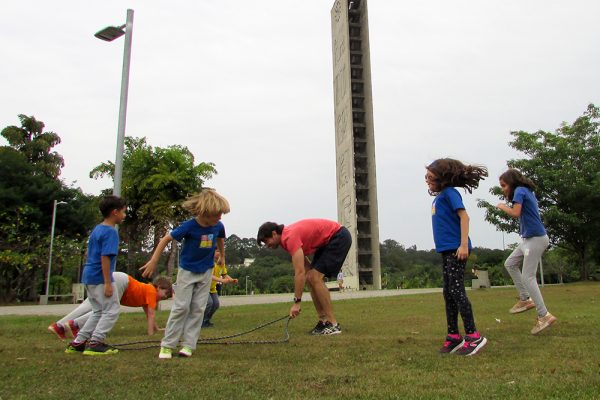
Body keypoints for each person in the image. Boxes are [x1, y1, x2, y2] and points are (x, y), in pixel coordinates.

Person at [140, 189, 230, 359]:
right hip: (187, 271)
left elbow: (220, 238)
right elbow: (166, 239)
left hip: (206, 271)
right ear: (205, 212)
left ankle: (188, 345)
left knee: (198, 308)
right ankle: (167, 345)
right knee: (181, 307)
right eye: (217, 214)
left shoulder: (218, 225)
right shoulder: (189, 226)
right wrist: (153, 260)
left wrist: (222, 256)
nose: (220, 218)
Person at [426, 158, 488, 356]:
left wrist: (463, 245)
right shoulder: (441, 196)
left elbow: (464, 217)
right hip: (446, 250)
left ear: (442, 176)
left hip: (456, 249)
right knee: (448, 292)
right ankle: (453, 336)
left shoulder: (451, 193)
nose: (426, 178)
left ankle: (473, 336)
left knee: (457, 290)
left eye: (430, 175)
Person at [256, 219, 351, 336]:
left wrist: (297, 302)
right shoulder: (287, 239)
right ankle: (323, 321)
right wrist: (308, 277)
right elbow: (305, 267)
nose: (267, 245)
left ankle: (333, 324)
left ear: (274, 233)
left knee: (314, 277)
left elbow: (299, 272)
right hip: (328, 241)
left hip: (339, 236)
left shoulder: (289, 237)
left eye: (266, 241)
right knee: (311, 278)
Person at [496, 168, 557, 335]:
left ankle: (544, 315)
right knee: (510, 263)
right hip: (529, 240)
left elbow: (516, 213)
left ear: (512, 183)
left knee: (528, 276)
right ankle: (524, 299)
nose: (503, 189)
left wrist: (502, 206)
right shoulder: (526, 191)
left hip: (535, 239)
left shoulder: (520, 191)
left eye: (503, 185)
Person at [65, 195, 127, 356]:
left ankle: (78, 342)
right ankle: (96, 342)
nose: (124, 215)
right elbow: (105, 257)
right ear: (115, 212)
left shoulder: (98, 229)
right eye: (123, 212)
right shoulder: (110, 232)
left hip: (89, 275)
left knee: (98, 311)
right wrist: (108, 283)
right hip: (101, 277)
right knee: (112, 310)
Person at [48, 272, 172, 339]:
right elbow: (151, 314)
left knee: (90, 306)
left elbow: (148, 314)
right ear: (159, 287)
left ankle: (59, 326)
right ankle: (74, 324)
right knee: (109, 310)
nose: (165, 297)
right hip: (122, 281)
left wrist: (156, 329)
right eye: (165, 293)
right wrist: (150, 335)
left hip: (115, 277)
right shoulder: (151, 291)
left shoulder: (147, 293)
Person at [202, 249, 238, 327]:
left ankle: (206, 320)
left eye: (220, 251)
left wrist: (232, 280)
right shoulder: (209, 262)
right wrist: (222, 280)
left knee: (216, 304)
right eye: (217, 251)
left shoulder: (222, 263)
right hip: (204, 287)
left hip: (212, 288)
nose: (219, 253)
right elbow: (210, 276)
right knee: (209, 303)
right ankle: (201, 322)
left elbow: (225, 274)